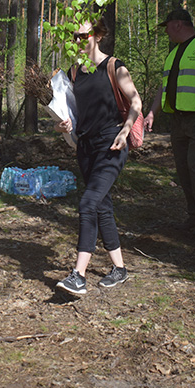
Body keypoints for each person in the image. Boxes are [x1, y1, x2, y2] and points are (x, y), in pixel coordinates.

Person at [54, 19, 142, 295]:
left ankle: (78, 275)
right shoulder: (73, 73)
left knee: (88, 202)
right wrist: (64, 126)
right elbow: (72, 113)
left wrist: (125, 130)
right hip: (86, 147)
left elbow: (136, 101)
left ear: (98, 35)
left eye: (84, 35)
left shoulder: (114, 66)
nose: (78, 41)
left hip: (112, 143)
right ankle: (120, 269)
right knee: (102, 205)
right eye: (74, 37)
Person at [143, 9, 195, 239]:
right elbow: (164, 87)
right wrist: (152, 112)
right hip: (178, 120)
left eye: (167, 27)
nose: (166, 32)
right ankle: (194, 216)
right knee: (183, 169)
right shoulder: (173, 54)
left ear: (178, 24)